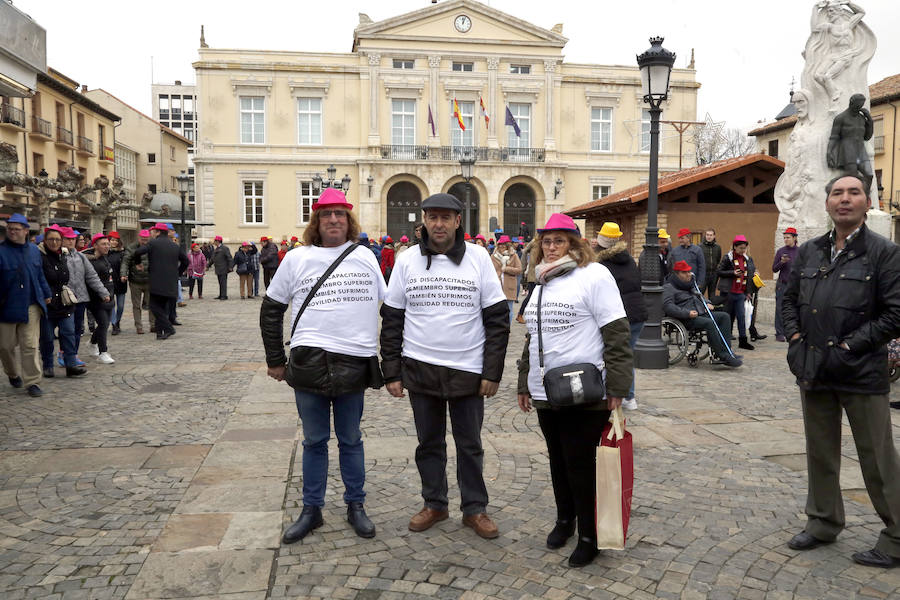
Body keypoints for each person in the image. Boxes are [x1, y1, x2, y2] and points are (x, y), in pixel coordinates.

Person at [783, 174, 900, 568]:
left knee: (877, 458)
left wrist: (851, 345)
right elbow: (789, 298)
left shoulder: (884, 252)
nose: (844, 199)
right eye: (837, 193)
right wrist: (796, 338)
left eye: (854, 193)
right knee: (820, 453)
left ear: (867, 202)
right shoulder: (811, 250)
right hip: (814, 368)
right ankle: (823, 522)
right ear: (827, 202)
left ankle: (897, 536)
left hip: (861, 371)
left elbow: (895, 313)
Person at [380, 192, 509, 540]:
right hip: (420, 366)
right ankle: (434, 503)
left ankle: (475, 509)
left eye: (445, 218)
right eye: (432, 217)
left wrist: (491, 371)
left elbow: (497, 319)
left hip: (467, 368)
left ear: (457, 222)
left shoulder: (479, 257)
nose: (438, 224)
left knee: (470, 444)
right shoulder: (407, 260)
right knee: (428, 443)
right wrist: (391, 370)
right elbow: (392, 318)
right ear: (424, 221)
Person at [260, 188, 385, 543]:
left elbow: (389, 306)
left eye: (340, 214)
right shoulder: (297, 259)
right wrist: (274, 359)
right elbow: (271, 309)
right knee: (314, 441)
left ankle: (355, 506)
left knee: (351, 440)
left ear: (349, 221)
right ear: (317, 221)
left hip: (353, 362)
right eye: (326, 214)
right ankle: (311, 510)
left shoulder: (366, 257)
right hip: (309, 362)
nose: (333, 220)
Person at [515, 213, 634, 568]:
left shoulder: (595, 275)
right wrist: (525, 381)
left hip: (584, 388)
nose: (551, 248)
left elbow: (616, 333)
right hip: (545, 388)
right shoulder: (541, 280)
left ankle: (589, 535)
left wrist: (618, 386)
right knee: (557, 460)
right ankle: (564, 520)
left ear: (575, 244)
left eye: (559, 241)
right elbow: (532, 336)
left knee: (581, 464)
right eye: (546, 242)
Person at [596, 222, 647, 410]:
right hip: (638, 314)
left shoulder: (601, 264)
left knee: (613, 356)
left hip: (618, 317)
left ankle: (619, 395)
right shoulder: (628, 259)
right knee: (627, 355)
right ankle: (629, 397)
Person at [1, 214, 52, 397]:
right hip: (6, 306)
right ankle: (12, 373)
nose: (12, 232)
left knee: (30, 345)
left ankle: (32, 382)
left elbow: (39, 276)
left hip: (31, 304)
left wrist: (46, 294)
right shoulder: (1, 251)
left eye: (16, 229)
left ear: (25, 230)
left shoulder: (33, 251)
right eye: (10, 229)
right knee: (5, 346)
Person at [664, 261, 743, 368]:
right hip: (686, 318)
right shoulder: (669, 287)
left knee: (724, 316)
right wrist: (687, 313)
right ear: (677, 274)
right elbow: (669, 307)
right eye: (685, 272)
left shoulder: (690, 284)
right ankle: (722, 355)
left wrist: (707, 303)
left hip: (699, 313)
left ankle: (727, 351)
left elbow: (700, 296)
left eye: (689, 271)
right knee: (709, 323)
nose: (688, 274)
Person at [37, 226, 85, 378]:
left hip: (64, 303)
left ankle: (70, 365)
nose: (54, 242)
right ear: (45, 240)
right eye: (51, 239)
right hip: (47, 303)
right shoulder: (39, 256)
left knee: (68, 333)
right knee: (47, 337)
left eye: (58, 239)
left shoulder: (63, 255)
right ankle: (48, 365)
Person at [133, 223, 189, 340]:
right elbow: (185, 261)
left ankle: (168, 328)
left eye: (153, 231)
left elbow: (137, 252)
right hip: (171, 281)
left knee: (154, 307)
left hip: (156, 281)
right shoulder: (174, 246)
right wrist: (177, 273)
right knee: (162, 307)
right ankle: (160, 332)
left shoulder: (153, 243)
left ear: (158, 232)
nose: (151, 233)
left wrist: (138, 263)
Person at [716, 235, 756, 350]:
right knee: (727, 318)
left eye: (744, 248)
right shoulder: (727, 257)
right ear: (735, 247)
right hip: (728, 292)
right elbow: (719, 271)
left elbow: (748, 276)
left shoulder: (747, 259)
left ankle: (743, 341)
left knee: (741, 317)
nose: (743, 250)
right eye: (741, 248)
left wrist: (748, 292)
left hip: (740, 293)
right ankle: (725, 340)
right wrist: (732, 273)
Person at [85, 233, 117, 364]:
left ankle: (92, 342)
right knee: (103, 323)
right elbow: (91, 280)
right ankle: (103, 352)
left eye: (108, 244)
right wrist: (102, 294)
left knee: (105, 323)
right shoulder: (90, 260)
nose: (107, 246)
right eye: (103, 244)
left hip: (109, 295)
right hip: (96, 297)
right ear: (95, 245)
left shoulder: (105, 258)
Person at [121, 229, 153, 334]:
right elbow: (125, 261)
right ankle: (139, 326)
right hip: (135, 281)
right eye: (142, 239)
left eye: (146, 239)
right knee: (136, 305)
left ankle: (153, 325)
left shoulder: (152, 247)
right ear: (138, 238)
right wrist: (123, 274)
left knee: (151, 304)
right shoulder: (131, 247)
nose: (144, 242)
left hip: (149, 280)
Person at [773, 227, 800, 342]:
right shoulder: (780, 251)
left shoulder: (800, 251)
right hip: (782, 284)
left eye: (788, 237)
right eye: (784, 237)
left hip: (796, 285)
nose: (785, 239)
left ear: (794, 238)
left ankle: (793, 331)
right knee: (780, 309)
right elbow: (774, 269)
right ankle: (779, 333)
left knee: (795, 308)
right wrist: (781, 262)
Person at [491, 235, 523, 323]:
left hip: (509, 285)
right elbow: (489, 270)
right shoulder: (494, 256)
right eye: (500, 245)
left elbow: (519, 270)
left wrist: (507, 269)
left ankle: (507, 328)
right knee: (497, 310)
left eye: (503, 245)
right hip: (497, 286)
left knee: (509, 309)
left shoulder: (514, 255)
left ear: (508, 246)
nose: (501, 247)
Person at [106, 232, 127, 336]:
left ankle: (117, 321)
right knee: (111, 305)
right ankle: (114, 324)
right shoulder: (106, 253)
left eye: (116, 240)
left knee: (121, 306)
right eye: (112, 240)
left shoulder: (123, 253)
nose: (113, 242)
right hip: (109, 282)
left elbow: (126, 265)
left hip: (121, 282)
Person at [700, 229, 721, 298]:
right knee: (700, 294)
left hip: (714, 275)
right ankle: (699, 308)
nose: (709, 237)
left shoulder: (717, 247)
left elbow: (718, 259)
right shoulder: (700, 247)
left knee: (712, 296)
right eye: (707, 235)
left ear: (714, 236)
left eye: (711, 235)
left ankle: (711, 308)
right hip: (703, 275)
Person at [211, 235, 233, 300]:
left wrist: (230, 266)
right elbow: (213, 259)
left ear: (218, 241)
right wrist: (208, 265)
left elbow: (229, 258)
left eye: (215, 241)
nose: (214, 242)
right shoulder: (216, 249)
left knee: (223, 282)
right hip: (218, 268)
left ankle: (224, 295)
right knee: (220, 282)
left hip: (223, 268)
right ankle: (221, 295)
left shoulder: (224, 248)